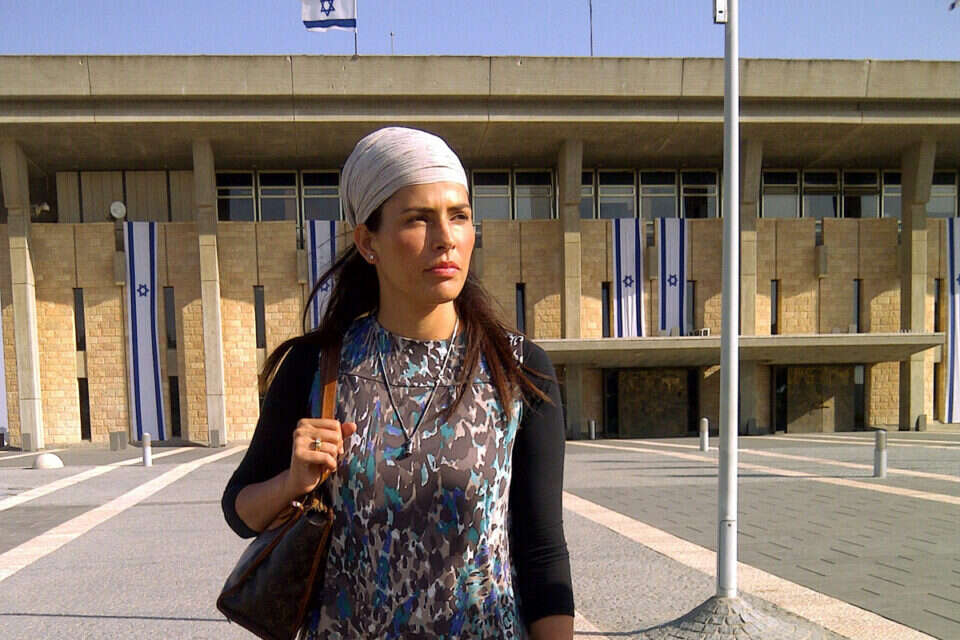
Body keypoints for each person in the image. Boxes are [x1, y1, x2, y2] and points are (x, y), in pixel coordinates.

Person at [221, 127, 574, 639]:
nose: (446, 238)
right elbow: (240, 513)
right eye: (418, 219)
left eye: (459, 216)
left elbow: (542, 550)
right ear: (368, 242)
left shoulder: (516, 367)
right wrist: (293, 482)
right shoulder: (316, 366)